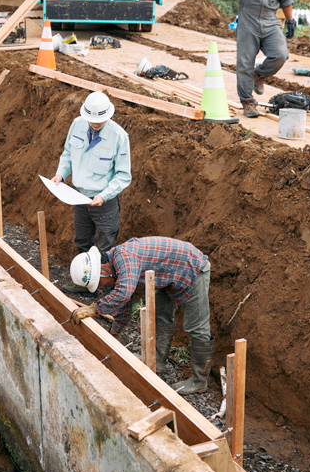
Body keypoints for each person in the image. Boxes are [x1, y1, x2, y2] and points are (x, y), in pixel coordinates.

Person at [69, 236, 213, 395]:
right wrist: (115, 331)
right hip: (168, 275)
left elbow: (123, 293)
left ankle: (199, 381)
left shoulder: (125, 258)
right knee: (159, 315)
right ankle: (157, 361)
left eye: (100, 282)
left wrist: (95, 309)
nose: (103, 286)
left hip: (192, 269)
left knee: (196, 327)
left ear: (103, 268)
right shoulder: (118, 266)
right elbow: (126, 300)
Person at [53, 91, 131, 293]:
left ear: (108, 115)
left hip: (104, 202)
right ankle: (85, 282)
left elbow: (123, 175)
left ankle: (105, 289)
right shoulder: (77, 125)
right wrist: (61, 174)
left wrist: (103, 195)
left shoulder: (119, 137)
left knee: (106, 246)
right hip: (79, 197)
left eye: (100, 120)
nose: (95, 124)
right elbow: (68, 154)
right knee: (82, 240)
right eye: (92, 120)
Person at [232, 0, 296, 118]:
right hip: (248, 19)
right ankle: (247, 102)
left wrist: (290, 20)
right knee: (244, 63)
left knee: (281, 54)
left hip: (270, 20)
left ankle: (259, 75)